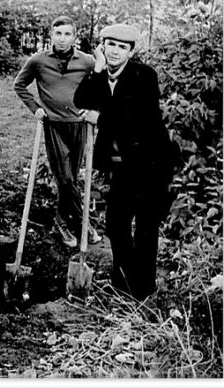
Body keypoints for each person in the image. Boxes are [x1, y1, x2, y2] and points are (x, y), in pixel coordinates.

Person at [74, 24, 176, 300]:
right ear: (102, 47)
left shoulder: (144, 75)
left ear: (131, 52)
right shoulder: (102, 75)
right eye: (111, 45)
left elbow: (138, 120)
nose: (116, 51)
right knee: (116, 224)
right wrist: (96, 69)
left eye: (122, 47)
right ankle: (124, 285)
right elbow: (80, 100)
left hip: (151, 163)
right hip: (121, 166)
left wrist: (101, 119)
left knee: (145, 227)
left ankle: (144, 290)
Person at [13, 16, 102, 249]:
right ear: (51, 35)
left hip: (79, 125)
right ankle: (85, 224)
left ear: (75, 37)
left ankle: (61, 222)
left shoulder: (86, 61)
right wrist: (35, 108)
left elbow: (102, 84)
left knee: (69, 179)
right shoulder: (38, 61)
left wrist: (93, 108)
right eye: (58, 33)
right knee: (64, 178)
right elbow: (19, 85)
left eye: (67, 34)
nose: (62, 39)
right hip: (54, 125)